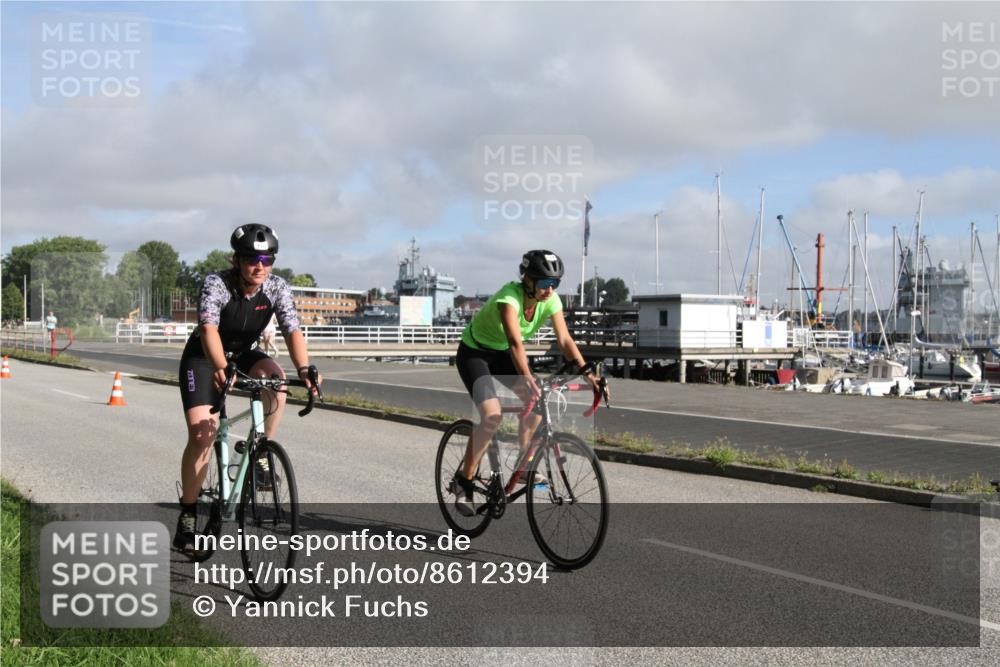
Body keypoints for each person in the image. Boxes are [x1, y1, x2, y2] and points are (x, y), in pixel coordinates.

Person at [174, 224, 321, 553]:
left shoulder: (277, 287)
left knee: (277, 379)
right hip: (203, 357)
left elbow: (292, 329)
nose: (260, 266)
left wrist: (304, 369)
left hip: (243, 354)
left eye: (267, 259)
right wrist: (220, 367)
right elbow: (208, 328)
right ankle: (187, 514)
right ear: (237, 260)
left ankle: (261, 451)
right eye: (252, 258)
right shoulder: (217, 283)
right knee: (202, 435)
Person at [451, 249, 608, 517]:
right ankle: (463, 481)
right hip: (475, 353)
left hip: (501, 354)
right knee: (492, 415)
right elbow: (515, 343)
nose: (550, 290)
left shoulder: (551, 301)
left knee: (536, 403)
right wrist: (526, 377)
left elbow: (565, 340)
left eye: (555, 284)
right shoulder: (508, 297)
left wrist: (588, 373)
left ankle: (523, 469)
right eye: (545, 283)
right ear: (528, 280)